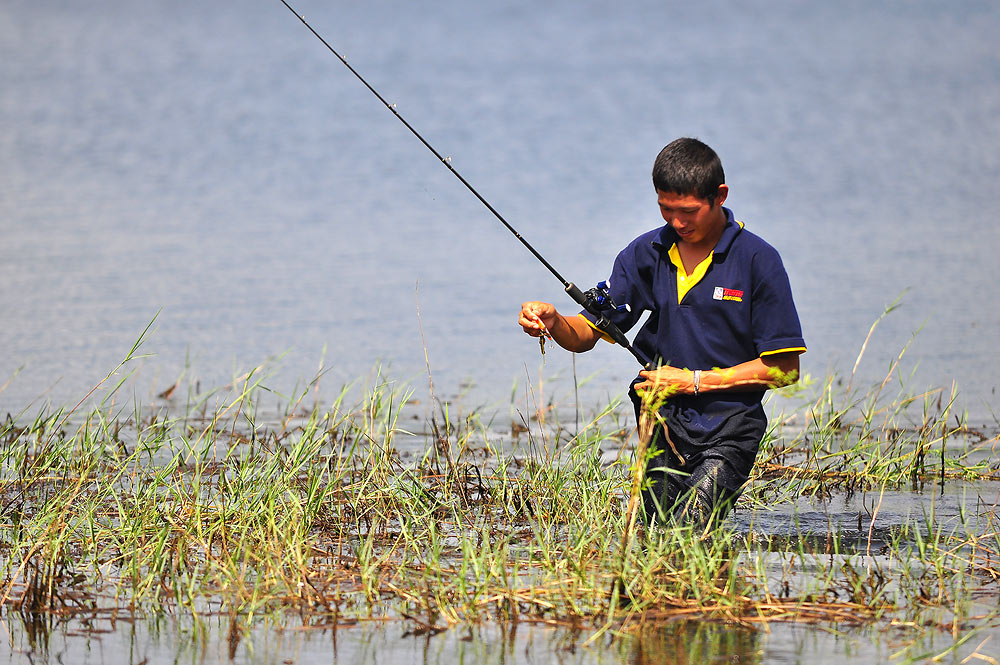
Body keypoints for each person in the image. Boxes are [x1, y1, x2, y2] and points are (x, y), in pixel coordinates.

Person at [518, 138, 805, 530]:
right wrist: (554, 322)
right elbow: (588, 332)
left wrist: (693, 382)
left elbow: (786, 369)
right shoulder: (647, 252)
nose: (677, 223)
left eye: (688, 211)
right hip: (660, 419)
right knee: (656, 534)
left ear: (719, 196)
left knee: (691, 529)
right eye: (665, 210)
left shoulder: (757, 260)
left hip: (730, 428)